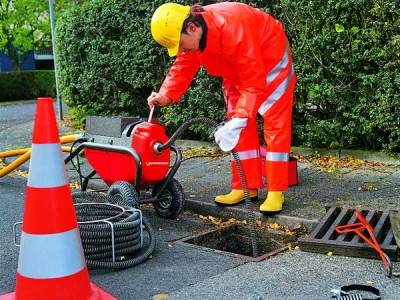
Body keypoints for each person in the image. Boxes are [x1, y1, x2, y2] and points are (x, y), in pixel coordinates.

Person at [147, 2, 296, 214]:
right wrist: (165, 94)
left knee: (275, 124)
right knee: (237, 125)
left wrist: (243, 116)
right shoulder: (192, 34)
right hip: (237, 69)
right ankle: (246, 187)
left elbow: (253, 80)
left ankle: (276, 191)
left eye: (181, 44)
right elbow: (183, 65)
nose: (181, 50)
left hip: (271, 62)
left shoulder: (233, 28)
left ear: (192, 27)